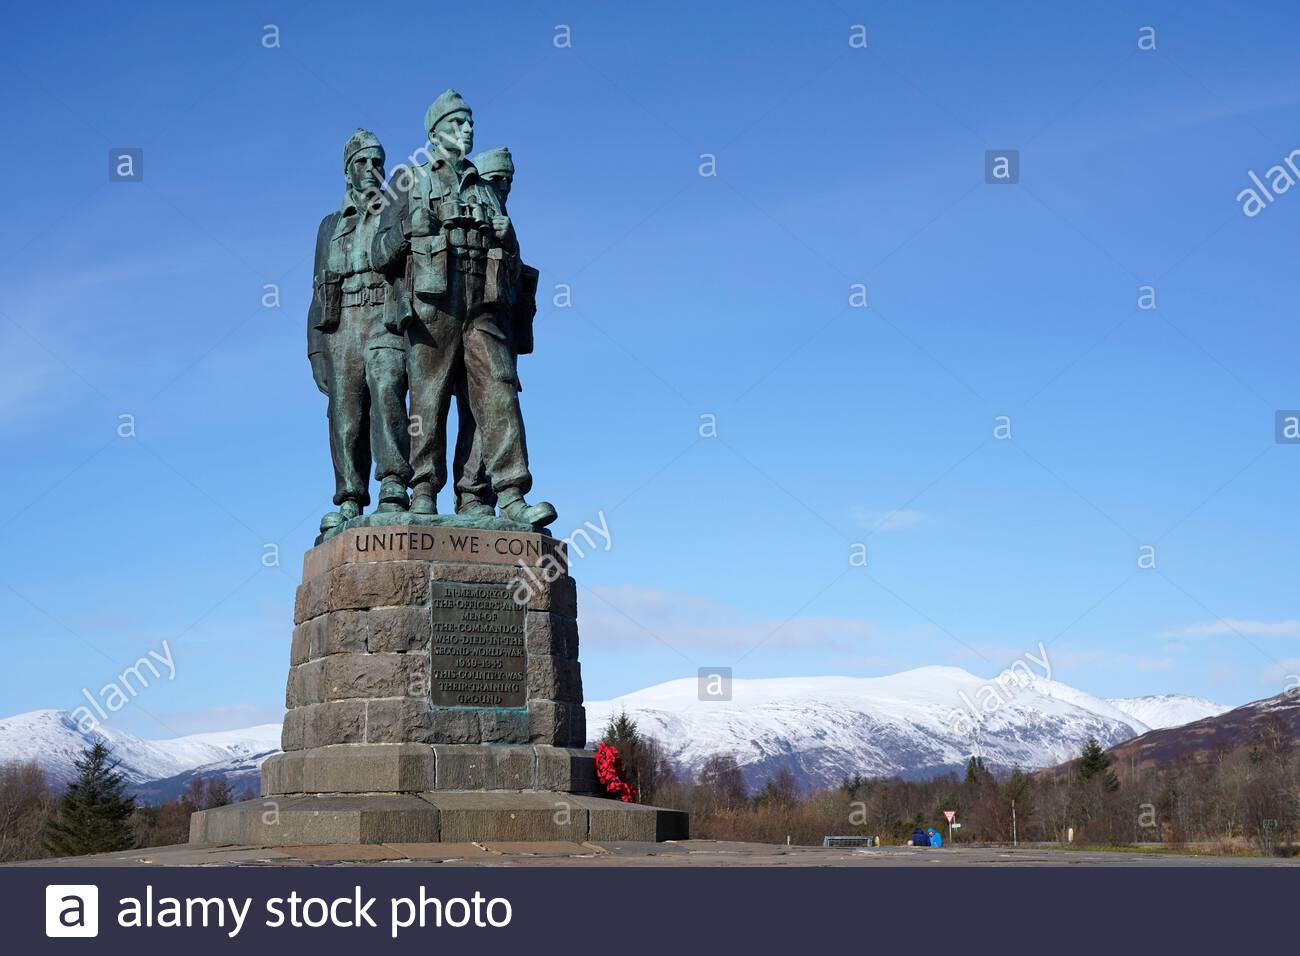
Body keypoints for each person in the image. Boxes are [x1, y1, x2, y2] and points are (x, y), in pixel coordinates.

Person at [373, 90, 555, 527]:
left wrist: (508, 238)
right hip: (434, 303)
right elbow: (380, 253)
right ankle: (422, 489)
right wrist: (406, 230)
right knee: (429, 399)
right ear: (435, 133)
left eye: (470, 122)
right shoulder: (410, 180)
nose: (468, 130)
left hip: (483, 303)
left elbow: (513, 262)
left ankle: (503, 494)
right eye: (458, 123)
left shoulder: (485, 188)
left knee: (498, 390)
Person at [309, 129, 412, 535]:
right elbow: (316, 290)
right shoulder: (329, 225)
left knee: (387, 392)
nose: (372, 170)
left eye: (378, 162)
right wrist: (317, 350)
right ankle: (350, 497)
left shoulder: (394, 211)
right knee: (345, 415)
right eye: (362, 163)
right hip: (342, 326)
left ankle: (393, 483)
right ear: (347, 172)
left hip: (382, 316)